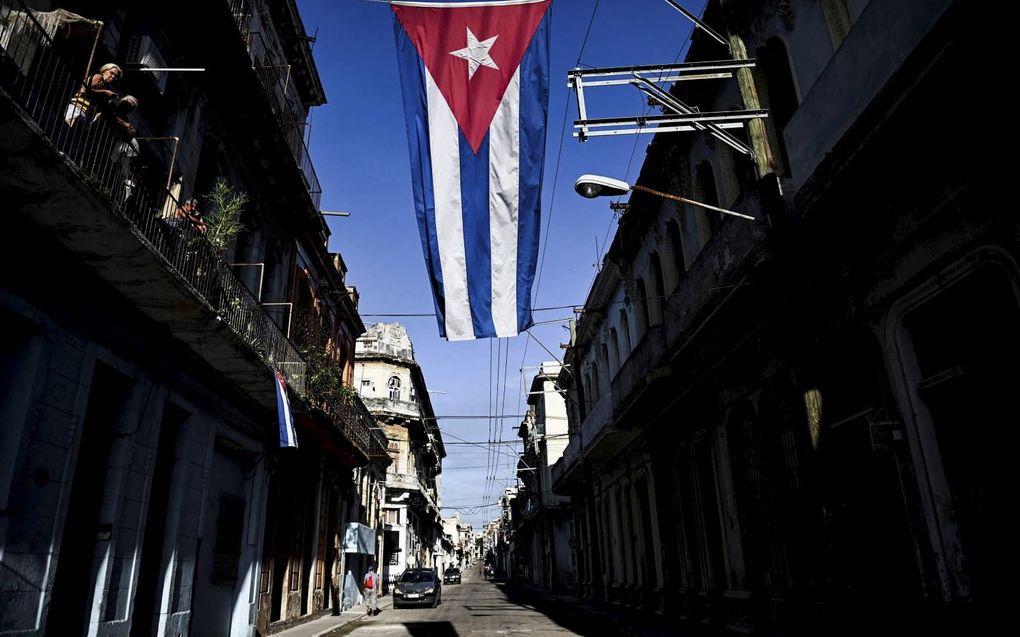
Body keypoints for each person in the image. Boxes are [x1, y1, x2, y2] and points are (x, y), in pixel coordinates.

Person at [64, 62, 122, 127]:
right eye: (111, 73)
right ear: (104, 71)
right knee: (71, 128)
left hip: (87, 114)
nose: (113, 76)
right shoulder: (99, 77)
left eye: (116, 76)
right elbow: (84, 90)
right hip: (78, 108)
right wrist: (104, 92)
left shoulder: (108, 87)